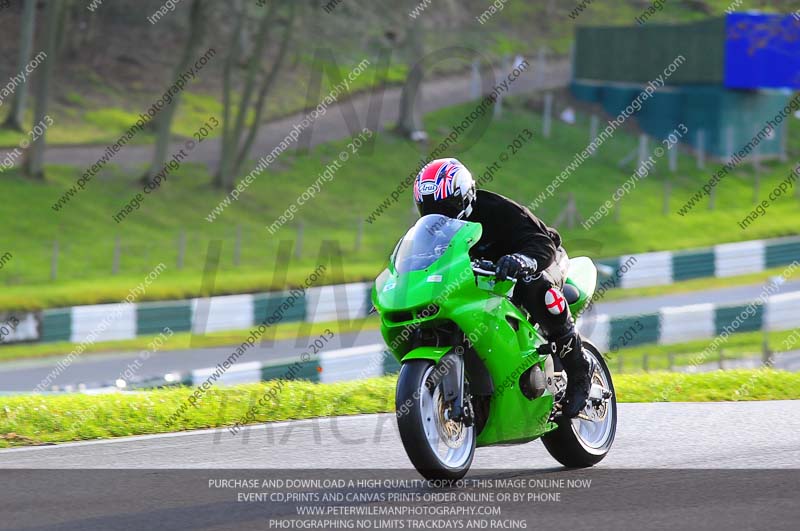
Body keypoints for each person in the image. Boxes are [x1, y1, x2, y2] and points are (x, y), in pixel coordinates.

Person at [412, 157, 590, 418]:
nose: (440, 215)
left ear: (465, 196)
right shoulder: (431, 233)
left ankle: (579, 372)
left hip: (542, 259)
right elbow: (419, 263)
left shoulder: (496, 209)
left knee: (535, 286)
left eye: (447, 206)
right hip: (489, 280)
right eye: (430, 209)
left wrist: (523, 260)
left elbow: (542, 243)